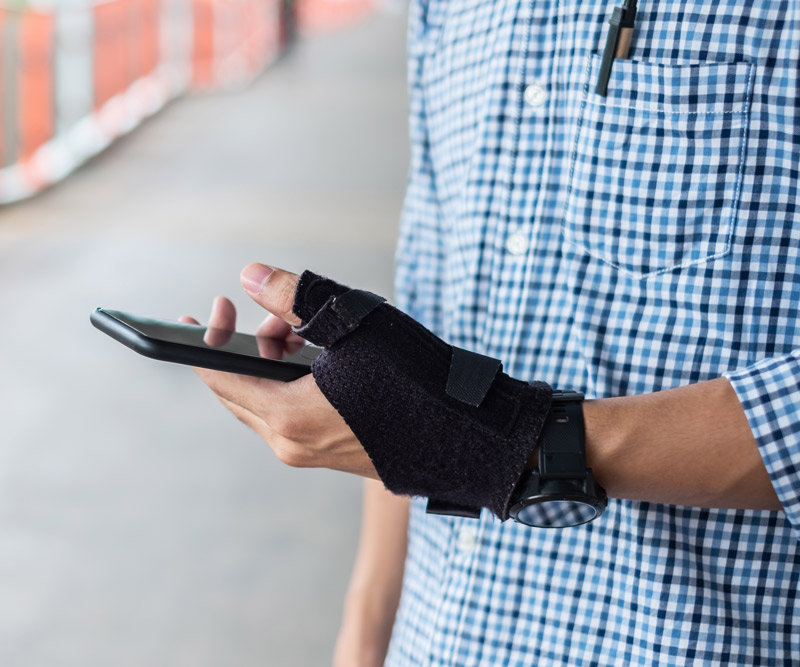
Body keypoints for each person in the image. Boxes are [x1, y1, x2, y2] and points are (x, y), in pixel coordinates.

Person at [183, 1, 800, 665]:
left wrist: (516, 442)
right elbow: (422, 337)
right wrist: (364, 637)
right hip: (437, 636)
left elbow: (458, 427)